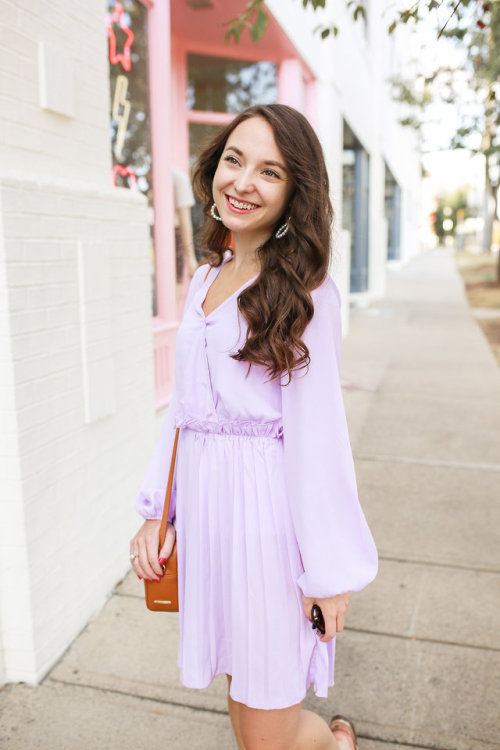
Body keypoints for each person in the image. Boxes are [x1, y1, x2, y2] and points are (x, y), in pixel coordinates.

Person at [130, 104, 378, 750]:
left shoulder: (306, 290)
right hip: (212, 516)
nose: (243, 182)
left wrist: (327, 573)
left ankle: (334, 744)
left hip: (268, 524)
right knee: (246, 713)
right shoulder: (207, 277)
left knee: (268, 732)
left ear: (295, 192)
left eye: (269, 171)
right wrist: (160, 510)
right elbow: (185, 412)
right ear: (214, 167)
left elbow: (320, 437)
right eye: (234, 160)